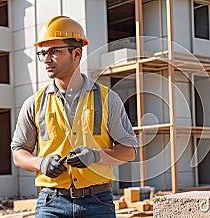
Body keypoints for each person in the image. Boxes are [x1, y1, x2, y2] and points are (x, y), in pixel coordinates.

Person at [11, 15, 137, 217]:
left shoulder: (107, 99)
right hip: (51, 202)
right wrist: (40, 162)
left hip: (98, 202)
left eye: (54, 52)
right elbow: (19, 152)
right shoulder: (34, 103)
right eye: (42, 53)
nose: (45, 59)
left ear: (76, 54)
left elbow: (129, 150)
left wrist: (96, 156)